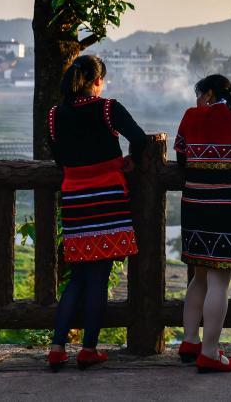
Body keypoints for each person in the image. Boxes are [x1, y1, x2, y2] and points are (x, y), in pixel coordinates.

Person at [46, 55, 146, 372]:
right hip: (107, 201)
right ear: (98, 81)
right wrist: (128, 161)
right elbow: (141, 140)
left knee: (78, 276)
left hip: (75, 199)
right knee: (99, 277)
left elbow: (59, 158)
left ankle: (57, 347)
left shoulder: (54, 115)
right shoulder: (107, 108)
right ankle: (88, 348)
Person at [174, 74, 231, 373]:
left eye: (198, 94)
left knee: (199, 276)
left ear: (209, 94)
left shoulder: (191, 116)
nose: (196, 101)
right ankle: (210, 352)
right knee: (219, 281)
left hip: (194, 204)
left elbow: (181, 158)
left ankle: (189, 342)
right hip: (227, 206)